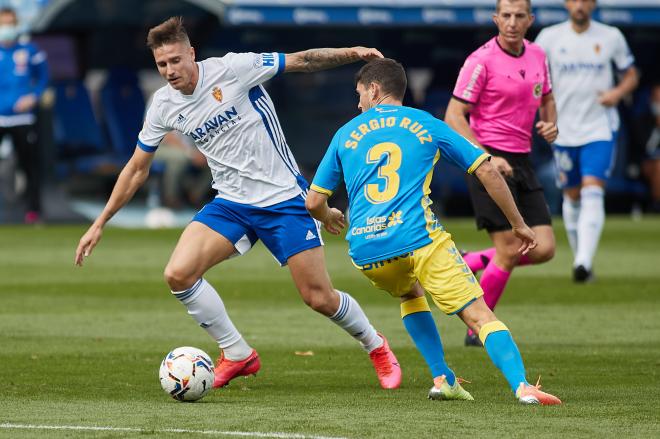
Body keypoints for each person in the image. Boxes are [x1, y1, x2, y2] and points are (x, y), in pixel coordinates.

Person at [75, 17, 401, 391]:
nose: (169, 71)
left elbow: (302, 61)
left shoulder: (233, 69)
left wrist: (352, 53)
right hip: (231, 203)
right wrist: (99, 222)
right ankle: (237, 353)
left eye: (176, 60)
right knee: (178, 275)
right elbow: (136, 168)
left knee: (318, 297)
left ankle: (375, 346)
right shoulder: (163, 105)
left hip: (284, 199)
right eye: (162, 64)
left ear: (191, 53)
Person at [306, 58, 561, 405]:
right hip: (418, 238)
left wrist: (329, 214)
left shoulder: (345, 133)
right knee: (478, 313)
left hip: (367, 249)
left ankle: (443, 379)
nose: (358, 103)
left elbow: (313, 202)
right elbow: (485, 170)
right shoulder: (426, 123)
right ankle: (522, 386)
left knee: (410, 294)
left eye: (360, 94)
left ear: (375, 90)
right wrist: (518, 224)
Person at [444, 0, 558, 346]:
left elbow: (547, 97)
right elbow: (454, 116)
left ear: (530, 20)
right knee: (509, 248)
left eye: (518, 16)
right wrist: (487, 156)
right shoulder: (480, 61)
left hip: (522, 160)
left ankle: (472, 260)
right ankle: (477, 328)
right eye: (505, 15)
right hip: (486, 161)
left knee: (544, 248)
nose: (511, 22)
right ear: (496, 19)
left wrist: (551, 122)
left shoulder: (538, 55)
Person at [536, 0, 639, 282]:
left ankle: (583, 261)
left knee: (593, 188)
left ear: (593, 5)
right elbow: (536, 78)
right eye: (574, 0)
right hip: (564, 130)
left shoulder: (611, 36)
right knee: (572, 194)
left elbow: (630, 74)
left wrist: (616, 94)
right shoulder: (549, 38)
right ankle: (582, 258)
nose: (579, 5)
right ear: (567, 4)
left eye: (585, 0)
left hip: (600, 127)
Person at [0, 6, 48, 224]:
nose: (6, 28)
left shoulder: (30, 51)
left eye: (10, 23)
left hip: (23, 118)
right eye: (3, 24)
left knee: (30, 166)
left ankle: (33, 211)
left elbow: (44, 77)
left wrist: (34, 96)